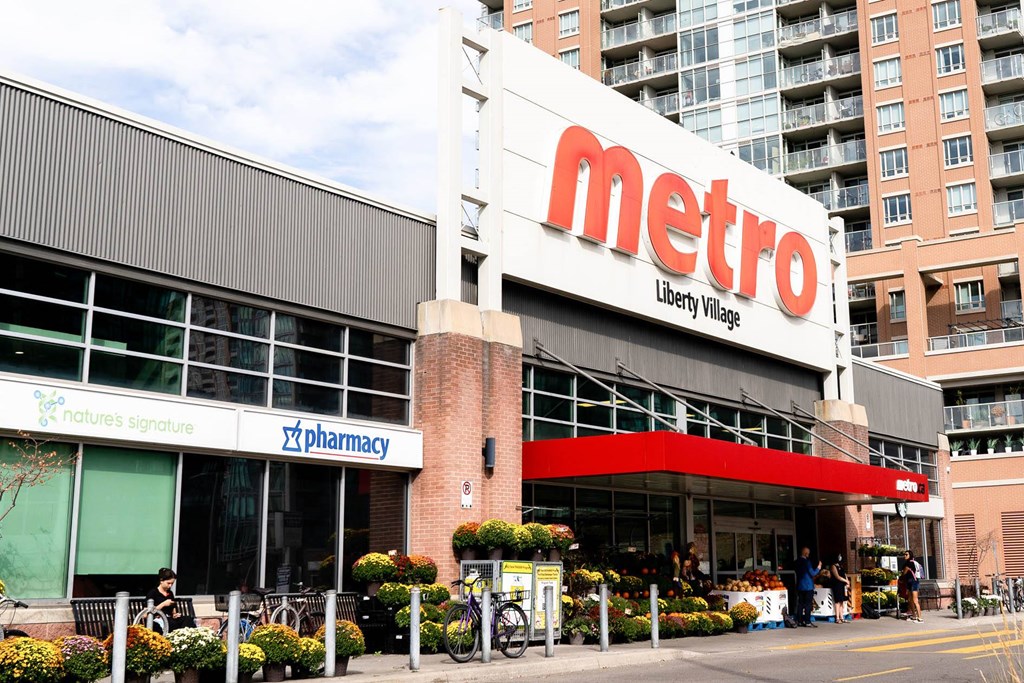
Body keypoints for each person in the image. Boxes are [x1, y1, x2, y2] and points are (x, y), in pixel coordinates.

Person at [146, 568, 195, 632]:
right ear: (161, 581)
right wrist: (163, 604)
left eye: (172, 583)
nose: (170, 586)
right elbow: (145, 614)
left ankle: (185, 638)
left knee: (188, 619)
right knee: (172, 623)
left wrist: (175, 614)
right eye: (168, 583)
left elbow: (173, 611)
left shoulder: (170, 593)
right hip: (159, 620)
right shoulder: (153, 593)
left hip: (170, 619)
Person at [795, 547, 821, 627]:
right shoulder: (807, 562)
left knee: (800, 603)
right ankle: (807, 621)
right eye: (808, 553)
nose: (808, 554)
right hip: (808, 586)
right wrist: (818, 568)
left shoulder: (796, 562)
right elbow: (812, 573)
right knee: (808, 604)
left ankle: (799, 620)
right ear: (806, 553)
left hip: (800, 585)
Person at [902, 550, 923, 622]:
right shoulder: (907, 563)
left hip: (914, 582)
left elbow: (904, 572)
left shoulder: (910, 563)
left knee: (915, 600)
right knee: (910, 600)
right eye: (904, 554)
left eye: (906, 554)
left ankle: (920, 618)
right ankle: (914, 616)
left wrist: (903, 572)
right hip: (909, 582)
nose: (904, 556)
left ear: (910, 555)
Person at [829, 554, 851, 624]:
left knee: (842, 601)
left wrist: (848, 582)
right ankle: (837, 618)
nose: (840, 558)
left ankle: (842, 617)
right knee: (837, 601)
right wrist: (845, 581)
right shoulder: (833, 566)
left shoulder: (841, 566)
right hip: (837, 585)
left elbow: (844, 575)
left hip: (842, 585)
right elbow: (837, 576)